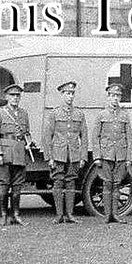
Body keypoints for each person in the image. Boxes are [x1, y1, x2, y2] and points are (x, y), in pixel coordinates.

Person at [42, 80, 87, 225]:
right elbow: (47, 136)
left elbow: (84, 137)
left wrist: (83, 157)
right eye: (67, 93)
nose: (70, 96)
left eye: (72, 93)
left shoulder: (79, 113)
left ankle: (70, 214)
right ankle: (59, 215)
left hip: (73, 154)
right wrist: (49, 157)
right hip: (58, 154)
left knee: (71, 183)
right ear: (62, 95)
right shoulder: (54, 113)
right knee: (58, 182)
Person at [0, 83, 31, 226]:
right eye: (12, 95)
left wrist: (29, 142)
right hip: (5, 153)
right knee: (4, 185)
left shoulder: (24, 113)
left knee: (18, 186)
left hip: (19, 152)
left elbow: (27, 133)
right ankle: (3, 215)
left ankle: (16, 215)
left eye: (17, 95)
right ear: (6, 97)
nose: (15, 98)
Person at [92, 83, 132, 224]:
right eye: (113, 96)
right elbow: (95, 137)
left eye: (118, 96)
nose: (115, 98)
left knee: (117, 185)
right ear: (108, 97)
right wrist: (97, 156)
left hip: (120, 155)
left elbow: (129, 138)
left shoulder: (124, 115)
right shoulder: (101, 115)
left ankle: (115, 215)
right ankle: (107, 215)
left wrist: (129, 158)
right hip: (105, 155)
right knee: (107, 184)